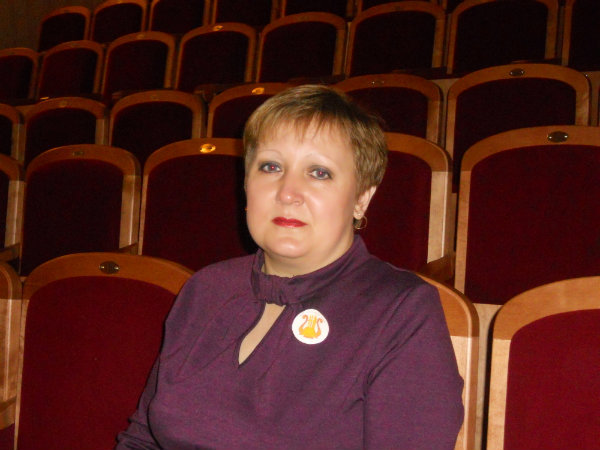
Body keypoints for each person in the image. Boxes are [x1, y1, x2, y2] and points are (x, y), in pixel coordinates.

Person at [115, 85, 463, 449]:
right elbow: (142, 439)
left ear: (361, 198)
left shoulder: (401, 311)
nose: (287, 192)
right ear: (246, 183)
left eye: (319, 172)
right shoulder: (206, 288)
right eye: (271, 167)